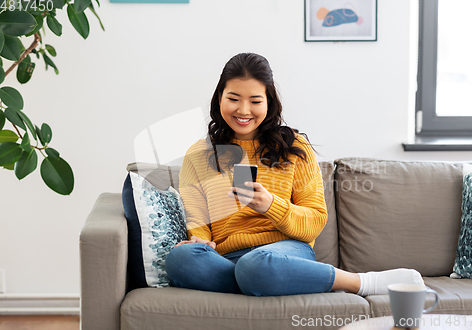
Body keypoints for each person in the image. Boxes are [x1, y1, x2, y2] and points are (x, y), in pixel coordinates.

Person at [165, 52, 424, 297]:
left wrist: (271, 206)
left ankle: (361, 282)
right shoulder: (199, 154)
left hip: (284, 252)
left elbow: (315, 220)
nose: (243, 110)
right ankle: (263, 280)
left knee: (256, 265)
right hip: (225, 257)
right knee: (179, 260)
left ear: (269, 102)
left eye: (255, 101)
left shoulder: (294, 147)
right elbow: (197, 217)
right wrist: (200, 241)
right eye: (233, 99)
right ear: (219, 97)